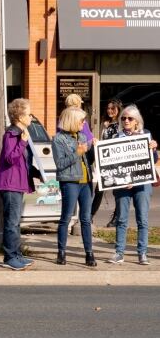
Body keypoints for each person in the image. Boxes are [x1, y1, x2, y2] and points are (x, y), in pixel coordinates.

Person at [107, 105, 157, 265]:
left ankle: (142, 253)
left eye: (129, 118)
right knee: (121, 219)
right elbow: (111, 165)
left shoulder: (146, 135)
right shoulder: (116, 138)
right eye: (123, 118)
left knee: (142, 219)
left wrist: (153, 149)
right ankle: (119, 253)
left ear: (137, 121)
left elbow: (153, 160)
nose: (126, 121)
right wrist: (122, 179)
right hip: (123, 185)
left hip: (142, 184)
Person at [0, 98, 39, 271]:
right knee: (11, 222)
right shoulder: (12, 134)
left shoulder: (21, 134)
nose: (31, 118)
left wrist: (36, 173)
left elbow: (23, 162)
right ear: (20, 116)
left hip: (18, 183)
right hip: (10, 184)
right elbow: (10, 158)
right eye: (29, 114)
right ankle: (10, 257)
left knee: (16, 222)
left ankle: (17, 254)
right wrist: (22, 142)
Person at [52, 107, 96, 267]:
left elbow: (88, 160)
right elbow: (60, 164)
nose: (84, 124)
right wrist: (77, 152)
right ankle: (61, 252)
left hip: (86, 182)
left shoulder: (83, 136)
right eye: (81, 121)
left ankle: (89, 253)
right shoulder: (58, 139)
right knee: (66, 217)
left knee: (85, 218)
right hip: (70, 182)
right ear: (72, 121)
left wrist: (93, 149)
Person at [92, 98, 123, 226]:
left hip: (119, 162)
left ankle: (116, 217)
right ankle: (90, 215)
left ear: (118, 109)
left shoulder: (122, 123)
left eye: (113, 108)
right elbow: (103, 141)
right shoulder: (105, 124)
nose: (110, 111)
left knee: (118, 191)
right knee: (99, 189)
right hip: (105, 161)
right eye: (108, 108)